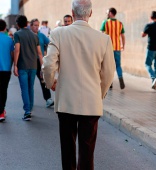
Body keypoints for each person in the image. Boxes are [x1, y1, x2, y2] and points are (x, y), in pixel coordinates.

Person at [42, 0, 115, 169]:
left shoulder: (58, 33)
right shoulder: (103, 39)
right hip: (91, 102)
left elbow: (48, 65)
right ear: (90, 13)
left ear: (72, 13)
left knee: (67, 149)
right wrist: (100, 93)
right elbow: (109, 73)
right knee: (87, 151)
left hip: (66, 101)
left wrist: (50, 82)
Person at [13, 15, 43, 121]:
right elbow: (39, 53)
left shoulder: (17, 34)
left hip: (22, 65)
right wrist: (42, 67)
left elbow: (17, 50)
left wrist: (15, 65)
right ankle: (30, 108)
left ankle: (27, 112)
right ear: (27, 23)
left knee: (24, 89)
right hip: (33, 66)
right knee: (31, 88)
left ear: (17, 24)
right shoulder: (35, 36)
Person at [30, 18, 54, 108]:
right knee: (30, 82)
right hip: (30, 61)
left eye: (37, 25)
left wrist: (47, 52)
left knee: (43, 80)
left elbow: (50, 43)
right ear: (31, 26)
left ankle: (48, 99)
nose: (36, 27)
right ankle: (29, 102)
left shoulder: (41, 35)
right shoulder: (29, 36)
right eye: (35, 25)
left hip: (40, 60)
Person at [100, 7, 125, 89]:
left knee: (108, 66)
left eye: (107, 12)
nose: (107, 14)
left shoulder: (105, 22)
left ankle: (110, 82)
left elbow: (101, 35)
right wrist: (123, 45)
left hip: (108, 48)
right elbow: (123, 36)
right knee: (118, 65)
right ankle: (120, 78)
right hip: (117, 47)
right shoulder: (120, 23)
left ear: (110, 13)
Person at [0, 19, 14, 122]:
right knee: (3, 90)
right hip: (6, 69)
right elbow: (13, 55)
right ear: (5, 28)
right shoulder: (9, 40)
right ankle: (1, 112)